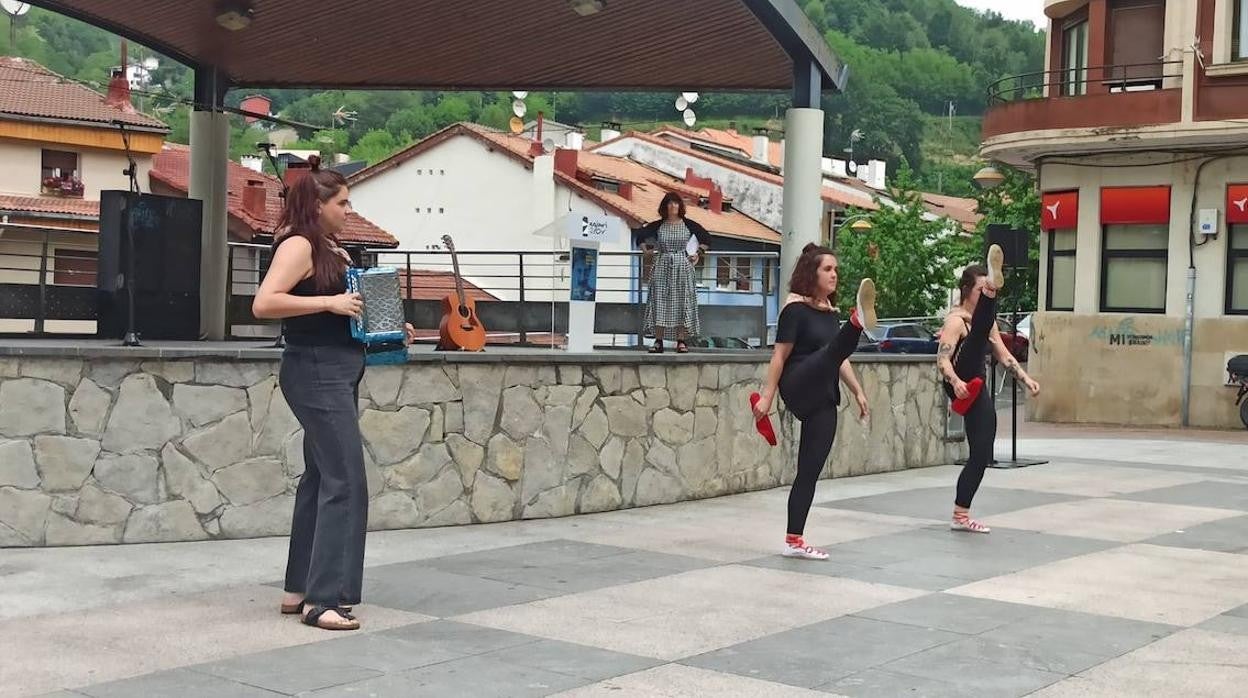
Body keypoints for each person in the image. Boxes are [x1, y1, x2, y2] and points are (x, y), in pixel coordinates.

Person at [252, 156, 416, 630]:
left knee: (321, 479)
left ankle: (298, 588)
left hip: (338, 368)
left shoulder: (330, 247)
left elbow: (346, 311)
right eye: (342, 202)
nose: (348, 209)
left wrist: (385, 327)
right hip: (316, 371)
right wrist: (331, 301)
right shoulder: (298, 244)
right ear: (318, 204)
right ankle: (324, 600)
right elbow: (264, 303)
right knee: (346, 480)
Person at [752, 243, 875, 560]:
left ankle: (794, 540)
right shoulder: (794, 310)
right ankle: (858, 323)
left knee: (810, 470)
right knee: (829, 352)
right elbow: (779, 356)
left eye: (836, 269)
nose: (834, 274)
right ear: (812, 273)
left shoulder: (828, 315)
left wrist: (858, 392)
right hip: (797, 382)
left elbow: (838, 358)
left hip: (822, 391)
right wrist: (766, 396)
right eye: (827, 269)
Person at [936, 245, 1040, 534]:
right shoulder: (955, 321)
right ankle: (960, 515)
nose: (979, 293)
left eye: (986, 289)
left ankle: (961, 513)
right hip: (961, 377)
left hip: (976, 385)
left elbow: (1003, 353)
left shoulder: (985, 323)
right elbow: (942, 359)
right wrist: (955, 382)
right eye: (981, 289)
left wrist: (1025, 378)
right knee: (978, 330)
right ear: (968, 291)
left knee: (981, 453)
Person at [634, 192, 710, 354]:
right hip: (662, 264)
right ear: (664, 206)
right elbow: (640, 235)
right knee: (660, 301)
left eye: (676, 203)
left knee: (682, 302)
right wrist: (645, 250)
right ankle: (658, 340)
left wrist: (698, 254)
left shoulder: (688, 224)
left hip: (682, 266)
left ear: (680, 206)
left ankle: (681, 341)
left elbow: (706, 238)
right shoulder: (658, 225)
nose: (673, 206)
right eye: (669, 203)